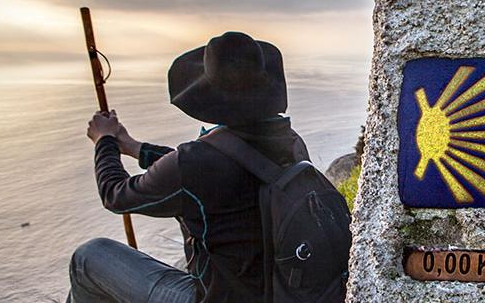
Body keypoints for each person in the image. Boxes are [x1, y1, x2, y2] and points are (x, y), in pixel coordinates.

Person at [69, 32, 310, 303]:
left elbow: (116, 195)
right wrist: (135, 147)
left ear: (209, 95)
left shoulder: (198, 163)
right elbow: (210, 168)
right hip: (280, 291)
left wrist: (104, 142)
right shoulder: (290, 143)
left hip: (219, 298)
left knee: (88, 257)